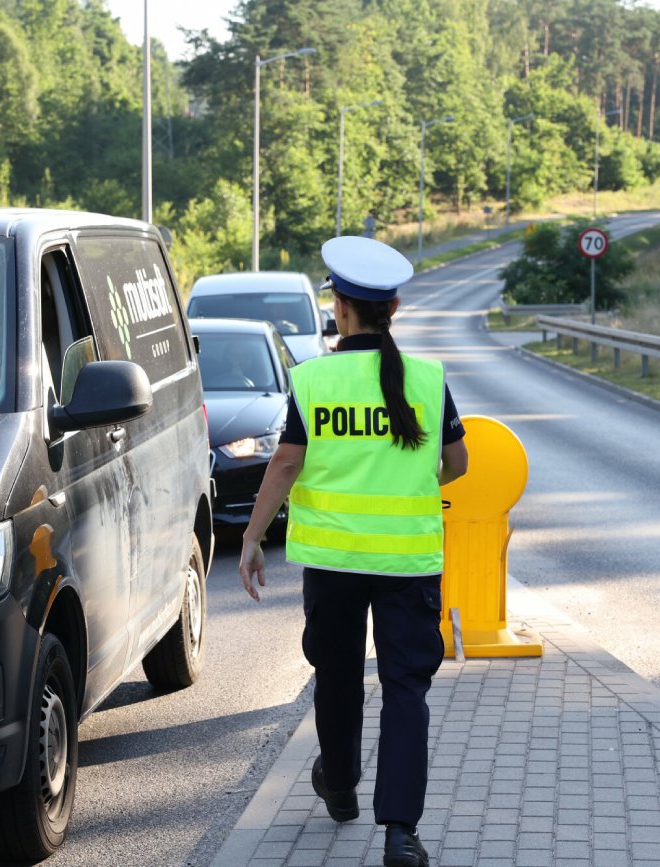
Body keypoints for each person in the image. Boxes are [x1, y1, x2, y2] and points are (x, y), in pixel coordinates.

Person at [239, 235, 468, 867]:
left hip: (335, 566)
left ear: (339, 309)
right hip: (408, 567)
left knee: (337, 679)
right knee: (405, 692)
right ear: (393, 308)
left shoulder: (312, 380)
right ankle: (400, 833)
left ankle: (339, 787)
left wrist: (254, 537)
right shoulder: (427, 378)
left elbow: (286, 463)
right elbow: (456, 462)